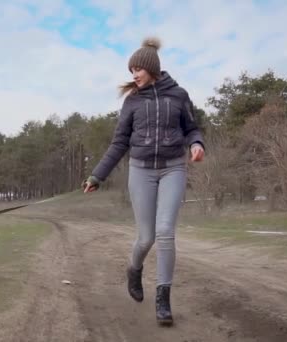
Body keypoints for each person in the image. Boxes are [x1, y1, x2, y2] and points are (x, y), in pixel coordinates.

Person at [82, 37, 205, 326]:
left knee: (165, 232)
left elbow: (192, 128)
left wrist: (196, 144)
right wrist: (97, 175)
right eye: (131, 70)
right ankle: (134, 268)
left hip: (174, 168)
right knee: (146, 237)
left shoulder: (179, 95)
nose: (134, 74)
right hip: (141, 171)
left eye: (138, 69)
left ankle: (163, 298)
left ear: (152, 68)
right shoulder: (132, 101)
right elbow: (119, 142)